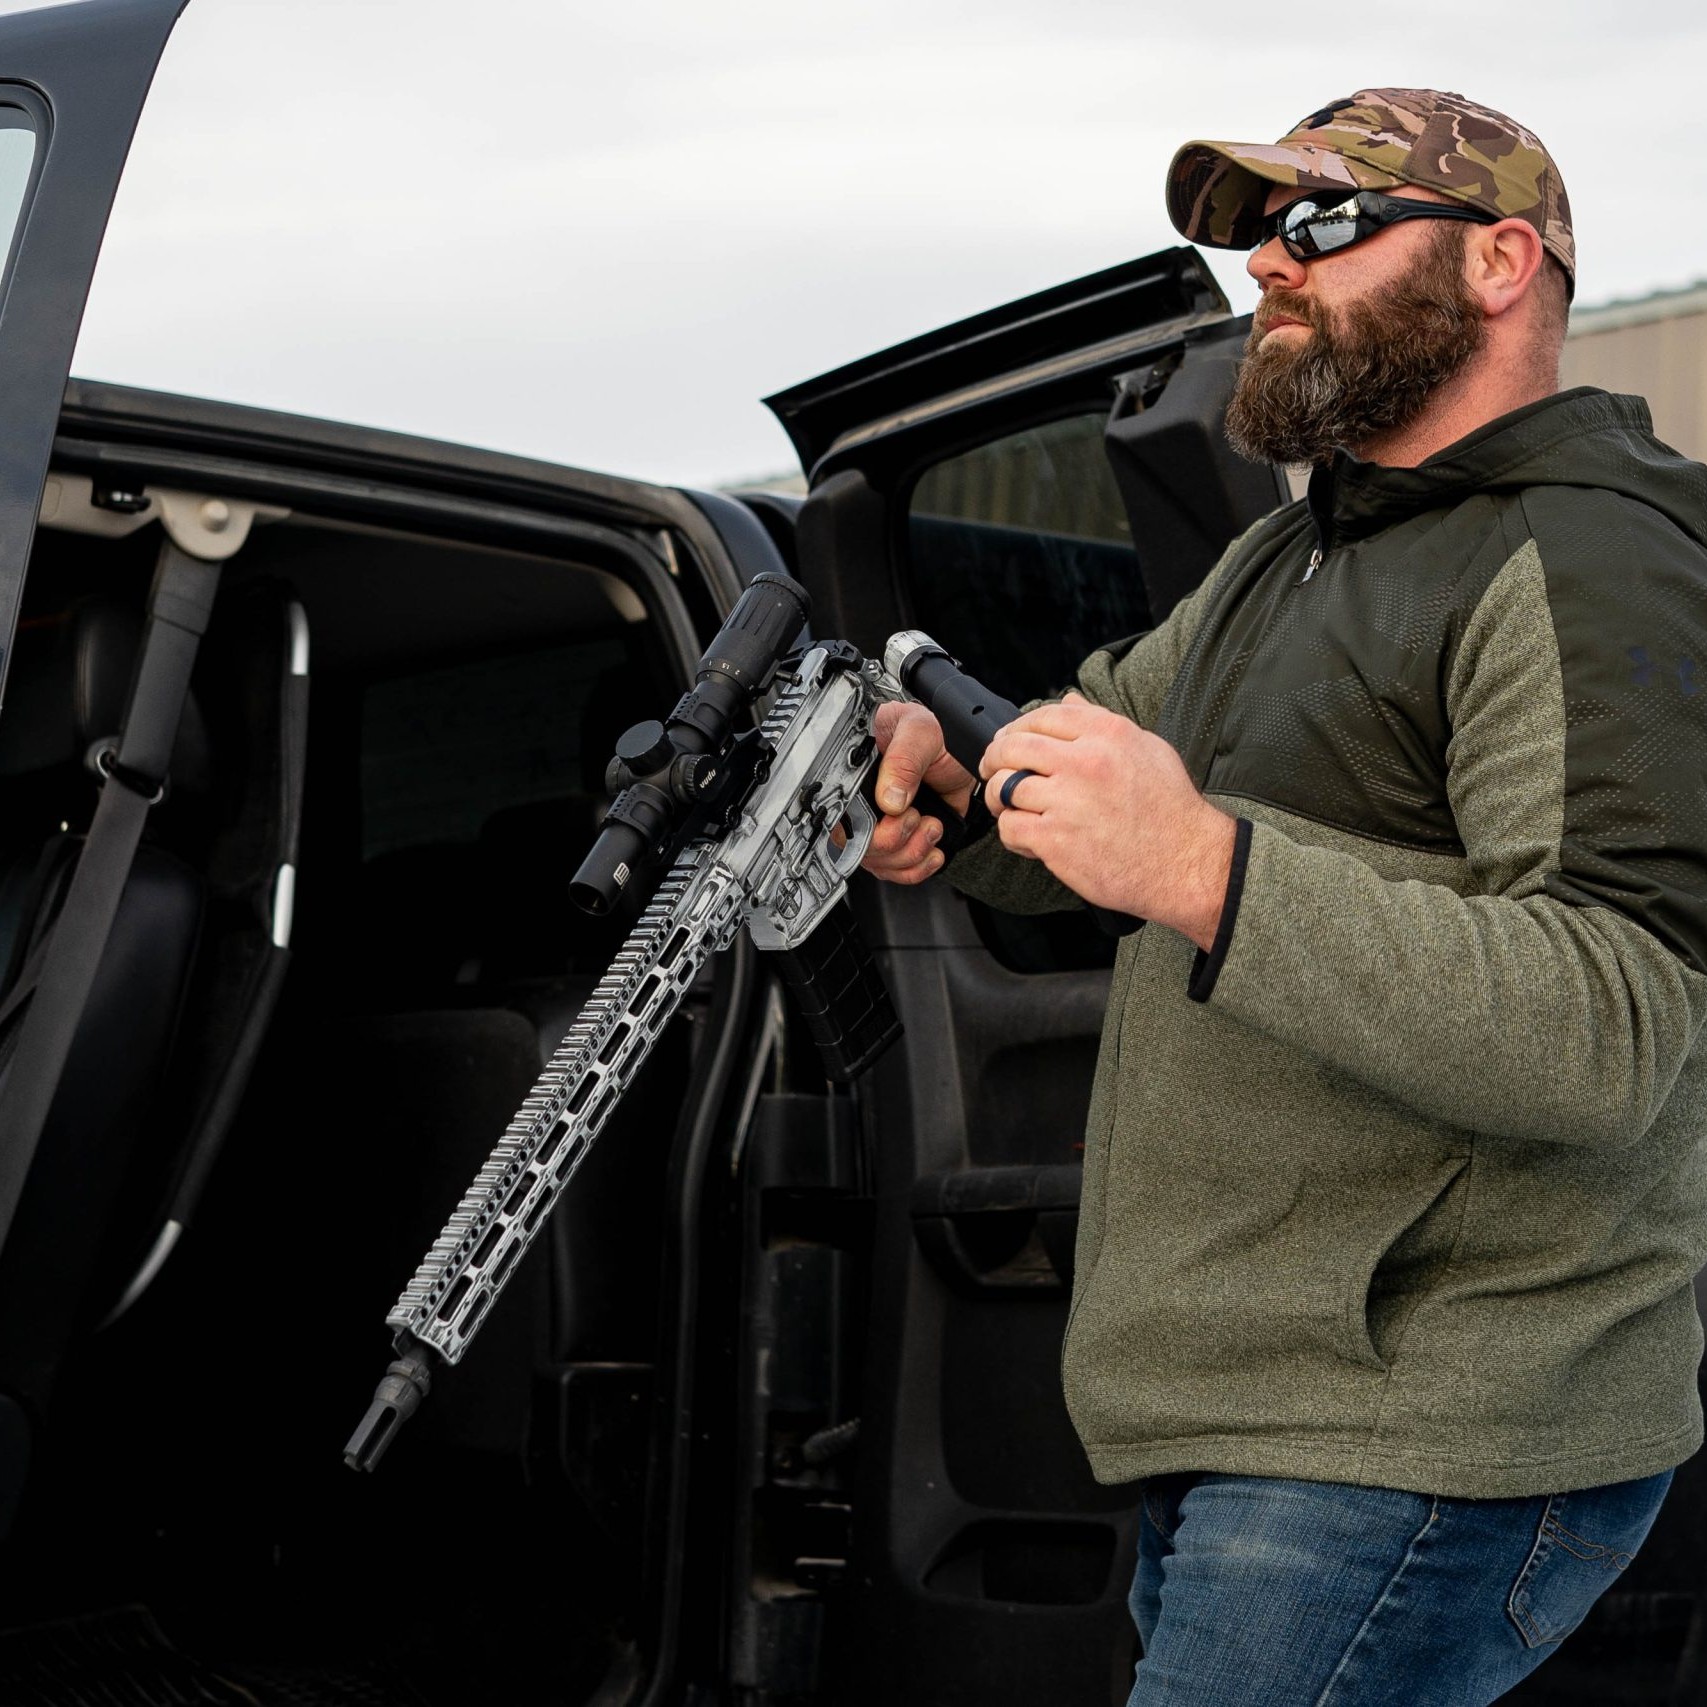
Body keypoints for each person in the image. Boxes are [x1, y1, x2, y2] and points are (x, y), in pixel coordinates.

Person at [862, 89, 1707, 1705]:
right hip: (1260, 1421)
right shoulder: (1290, 559)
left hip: (1419, 1434)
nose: (1267, 265)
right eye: (1258, 234)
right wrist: (958, 787)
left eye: (1322, 223)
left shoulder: (1592, 559)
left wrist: (1202, 867)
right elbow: (1092, 775)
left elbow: (1610, 1026)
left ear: (1500, 263)